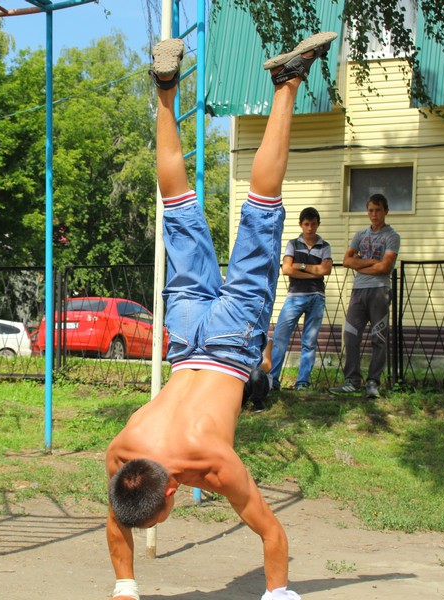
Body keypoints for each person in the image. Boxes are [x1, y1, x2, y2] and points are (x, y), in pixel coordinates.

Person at [105, 31, 337, 600]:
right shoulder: (122, 452)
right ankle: (164, 92)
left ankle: (286, 86)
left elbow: (270, 532)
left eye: (156, 518)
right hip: (185, 334)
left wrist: (278, 594)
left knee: (262, 214)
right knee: (178, 209)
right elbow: (118, 518)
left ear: (166, 497)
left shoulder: (212, 461)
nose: (148, 522)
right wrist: (124, 587)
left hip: (231, 341)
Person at [329, 194, 400, 399]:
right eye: (370, 210)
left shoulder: (391, 236)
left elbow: (386, 267)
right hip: (358, 291)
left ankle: (373, 383)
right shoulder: (360, 235)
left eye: (378, 210)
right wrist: (373, 264)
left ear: (386, 211)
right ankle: (352, 381)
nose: (374, 214)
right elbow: (346, 261)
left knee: (378, 337)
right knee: (351, 334)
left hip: (380, 290)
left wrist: (362, 263)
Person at [268, 207, 332, 392]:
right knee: (280, 336)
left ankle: (302, 382)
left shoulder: (324, 246)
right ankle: (273, 380)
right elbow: (287, 269)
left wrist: (301, 266)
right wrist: (314, 272)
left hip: (316, 297)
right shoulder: (293, 244)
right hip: (295, 296)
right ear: (301, 225)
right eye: (306, 224)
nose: (310, 228)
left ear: (318, 224)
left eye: (313, 224)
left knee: (309, 341)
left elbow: (326, 270)